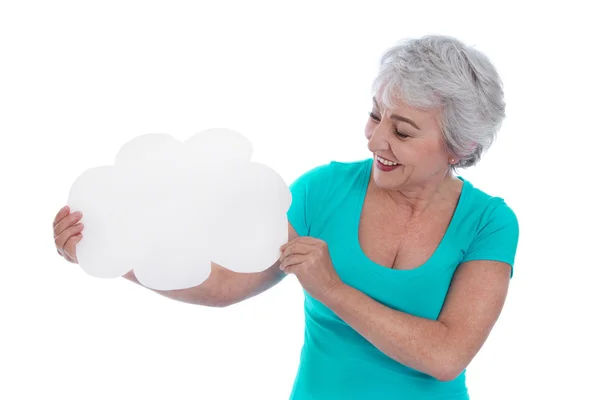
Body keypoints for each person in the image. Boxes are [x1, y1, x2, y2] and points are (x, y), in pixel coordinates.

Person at [53, 34, 519, 399]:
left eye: (402, 131)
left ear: (459, 147)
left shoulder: (489, 223)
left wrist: (332, 289)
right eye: (375, 116)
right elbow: (224, 285)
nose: (376, 141)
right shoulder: (323, 191)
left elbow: (446, 356)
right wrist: (109, 256)